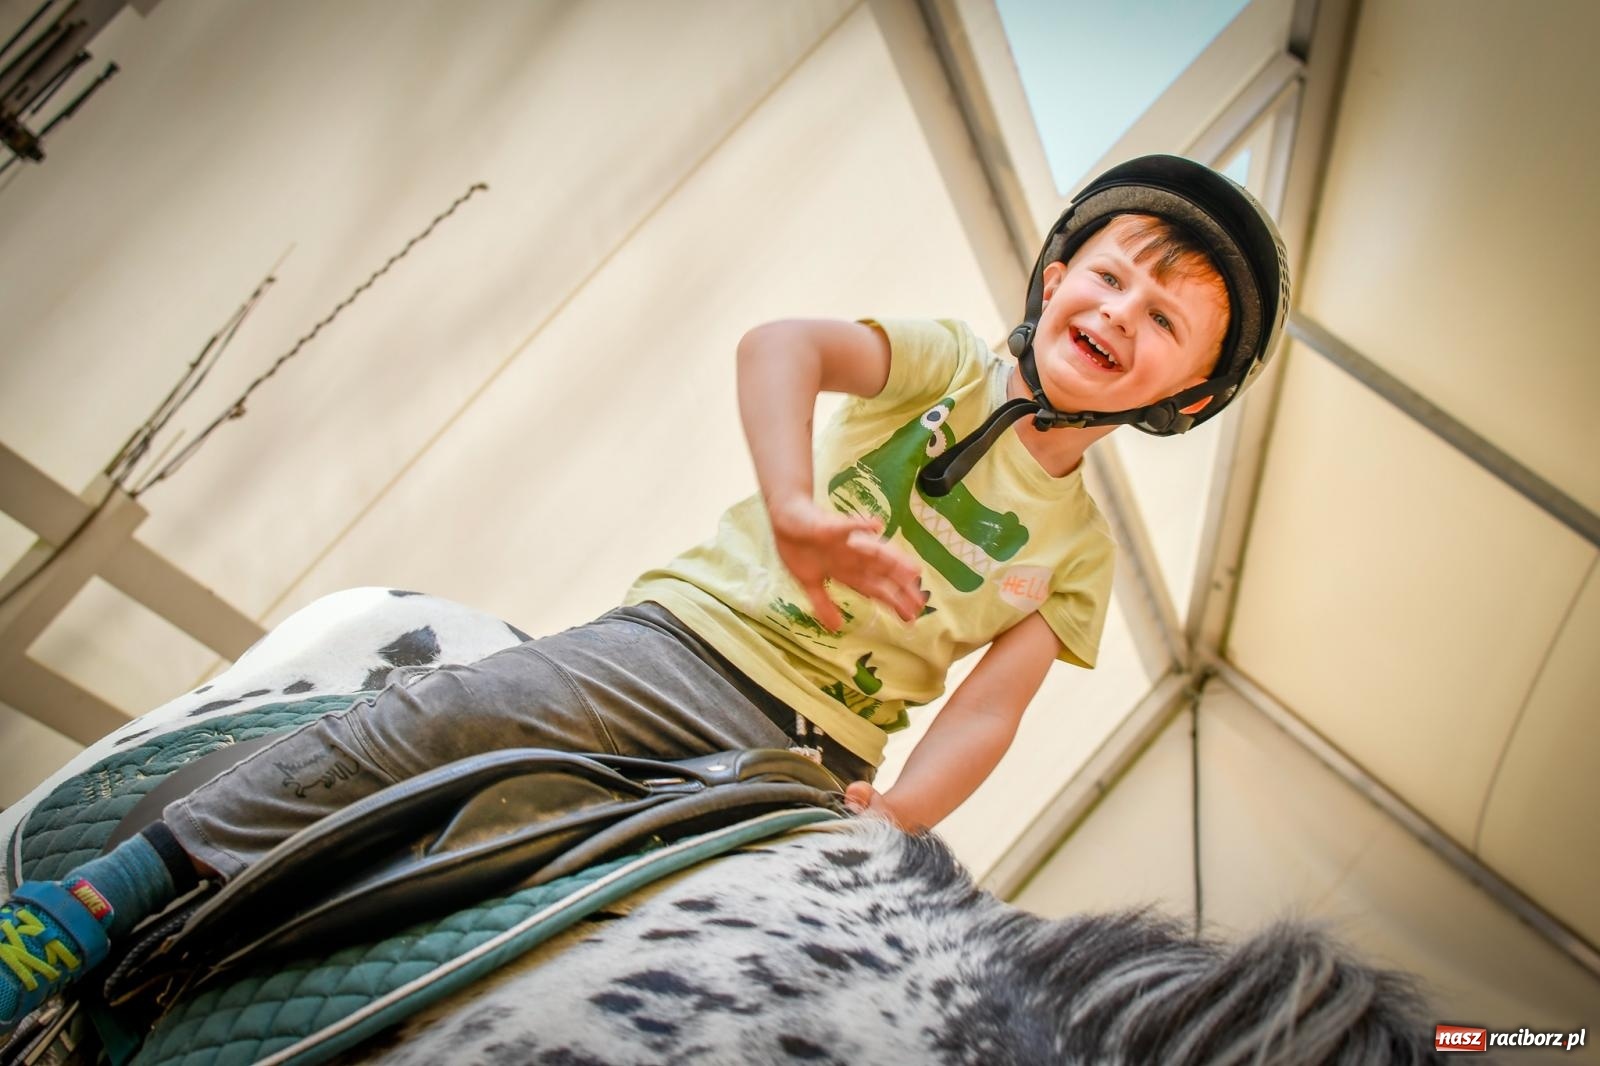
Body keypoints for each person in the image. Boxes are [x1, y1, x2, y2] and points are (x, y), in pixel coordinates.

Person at [0, 154, 1289, 1032]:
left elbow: (990, 708)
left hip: (814, 758)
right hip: (685, 650)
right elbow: (779, 346)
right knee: (437, 724)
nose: (1122, 308)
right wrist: (794, 507)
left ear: (1178, 398)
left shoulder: (1079, 555)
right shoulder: (943, 360)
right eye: (1111, 272)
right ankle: (96, 899)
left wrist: (901, 807)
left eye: (1167, 319)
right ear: (1056, 275)